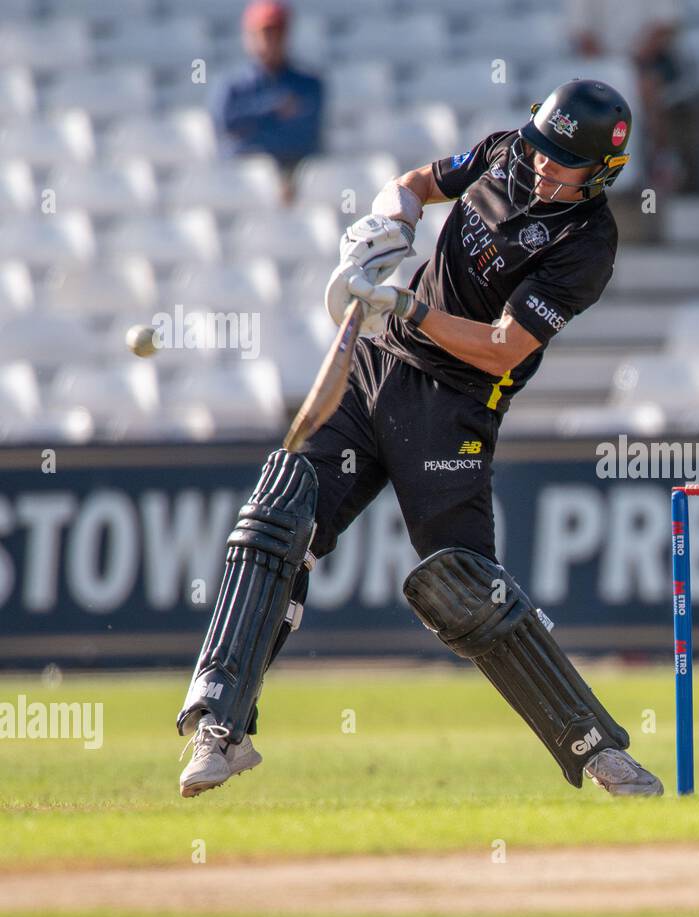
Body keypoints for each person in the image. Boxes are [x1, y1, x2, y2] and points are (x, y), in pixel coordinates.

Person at [176, 79, 662, 799]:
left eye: (563, 162)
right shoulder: (507, 151)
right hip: (374, 367)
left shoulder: (588, 243)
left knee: (465, 586)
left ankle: (594, 749)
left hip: (453, 408)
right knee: (280, 519)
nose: (542, 167)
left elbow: (502, 347)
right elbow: (413, 183)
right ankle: (221, 722)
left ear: (602, 174)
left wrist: (403, 303)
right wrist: (385, 229)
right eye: (542, 148)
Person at [212, 1, 324, 199]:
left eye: (276, 32)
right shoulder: (232, 86)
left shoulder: (309, 84)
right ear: (249, 36)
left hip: (295, 173)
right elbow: (226, 126)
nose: (270, 40)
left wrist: (252, 126)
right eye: (264, 32)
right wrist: (274, 111)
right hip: (243, 177)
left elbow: (306, 134)